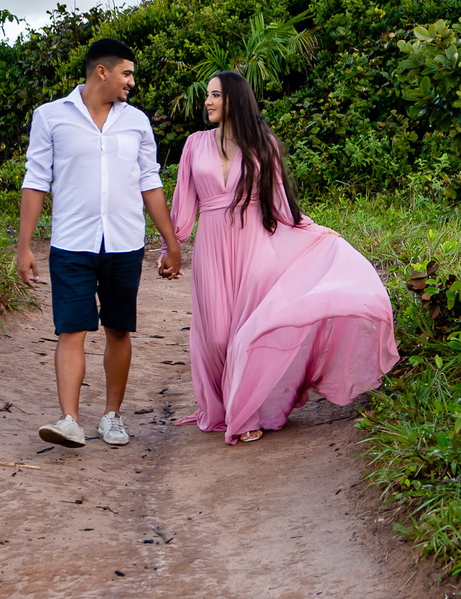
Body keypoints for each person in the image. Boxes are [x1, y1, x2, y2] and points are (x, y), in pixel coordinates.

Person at [158, 71, 398, 444]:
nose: (207, 102)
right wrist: (169, 249)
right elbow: (183, 206)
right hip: (211, 249)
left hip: (256, 246)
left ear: (234, 99)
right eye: (208, 95)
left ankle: (245, 413)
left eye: (215, 95)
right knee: (216, 336)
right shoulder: (194, 144)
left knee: (248, 333)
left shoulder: (262, 145)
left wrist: (314, 231)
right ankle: (221, 408)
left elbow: (281, 203)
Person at [16, 38, 182, 448]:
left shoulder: (137, 122)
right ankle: (69, 420)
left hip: (125, 242)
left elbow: (150, 181)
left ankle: (112, 417)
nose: (131, 82)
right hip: (71, 242)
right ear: (102, 72)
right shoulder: (50, 116)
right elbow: (36, 180)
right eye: (126, 73)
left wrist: (171, 241)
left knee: (118, 329)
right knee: (71, 330)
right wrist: (24, 246)